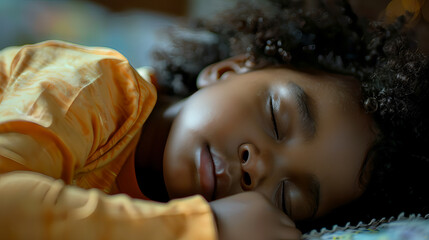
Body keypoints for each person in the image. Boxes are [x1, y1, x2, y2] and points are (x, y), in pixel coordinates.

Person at [0, 1, 427, 240]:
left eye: (287, 197)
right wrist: (211, 227)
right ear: (228, 69)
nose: (257, 167)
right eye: (277, 119)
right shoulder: (88, 85)